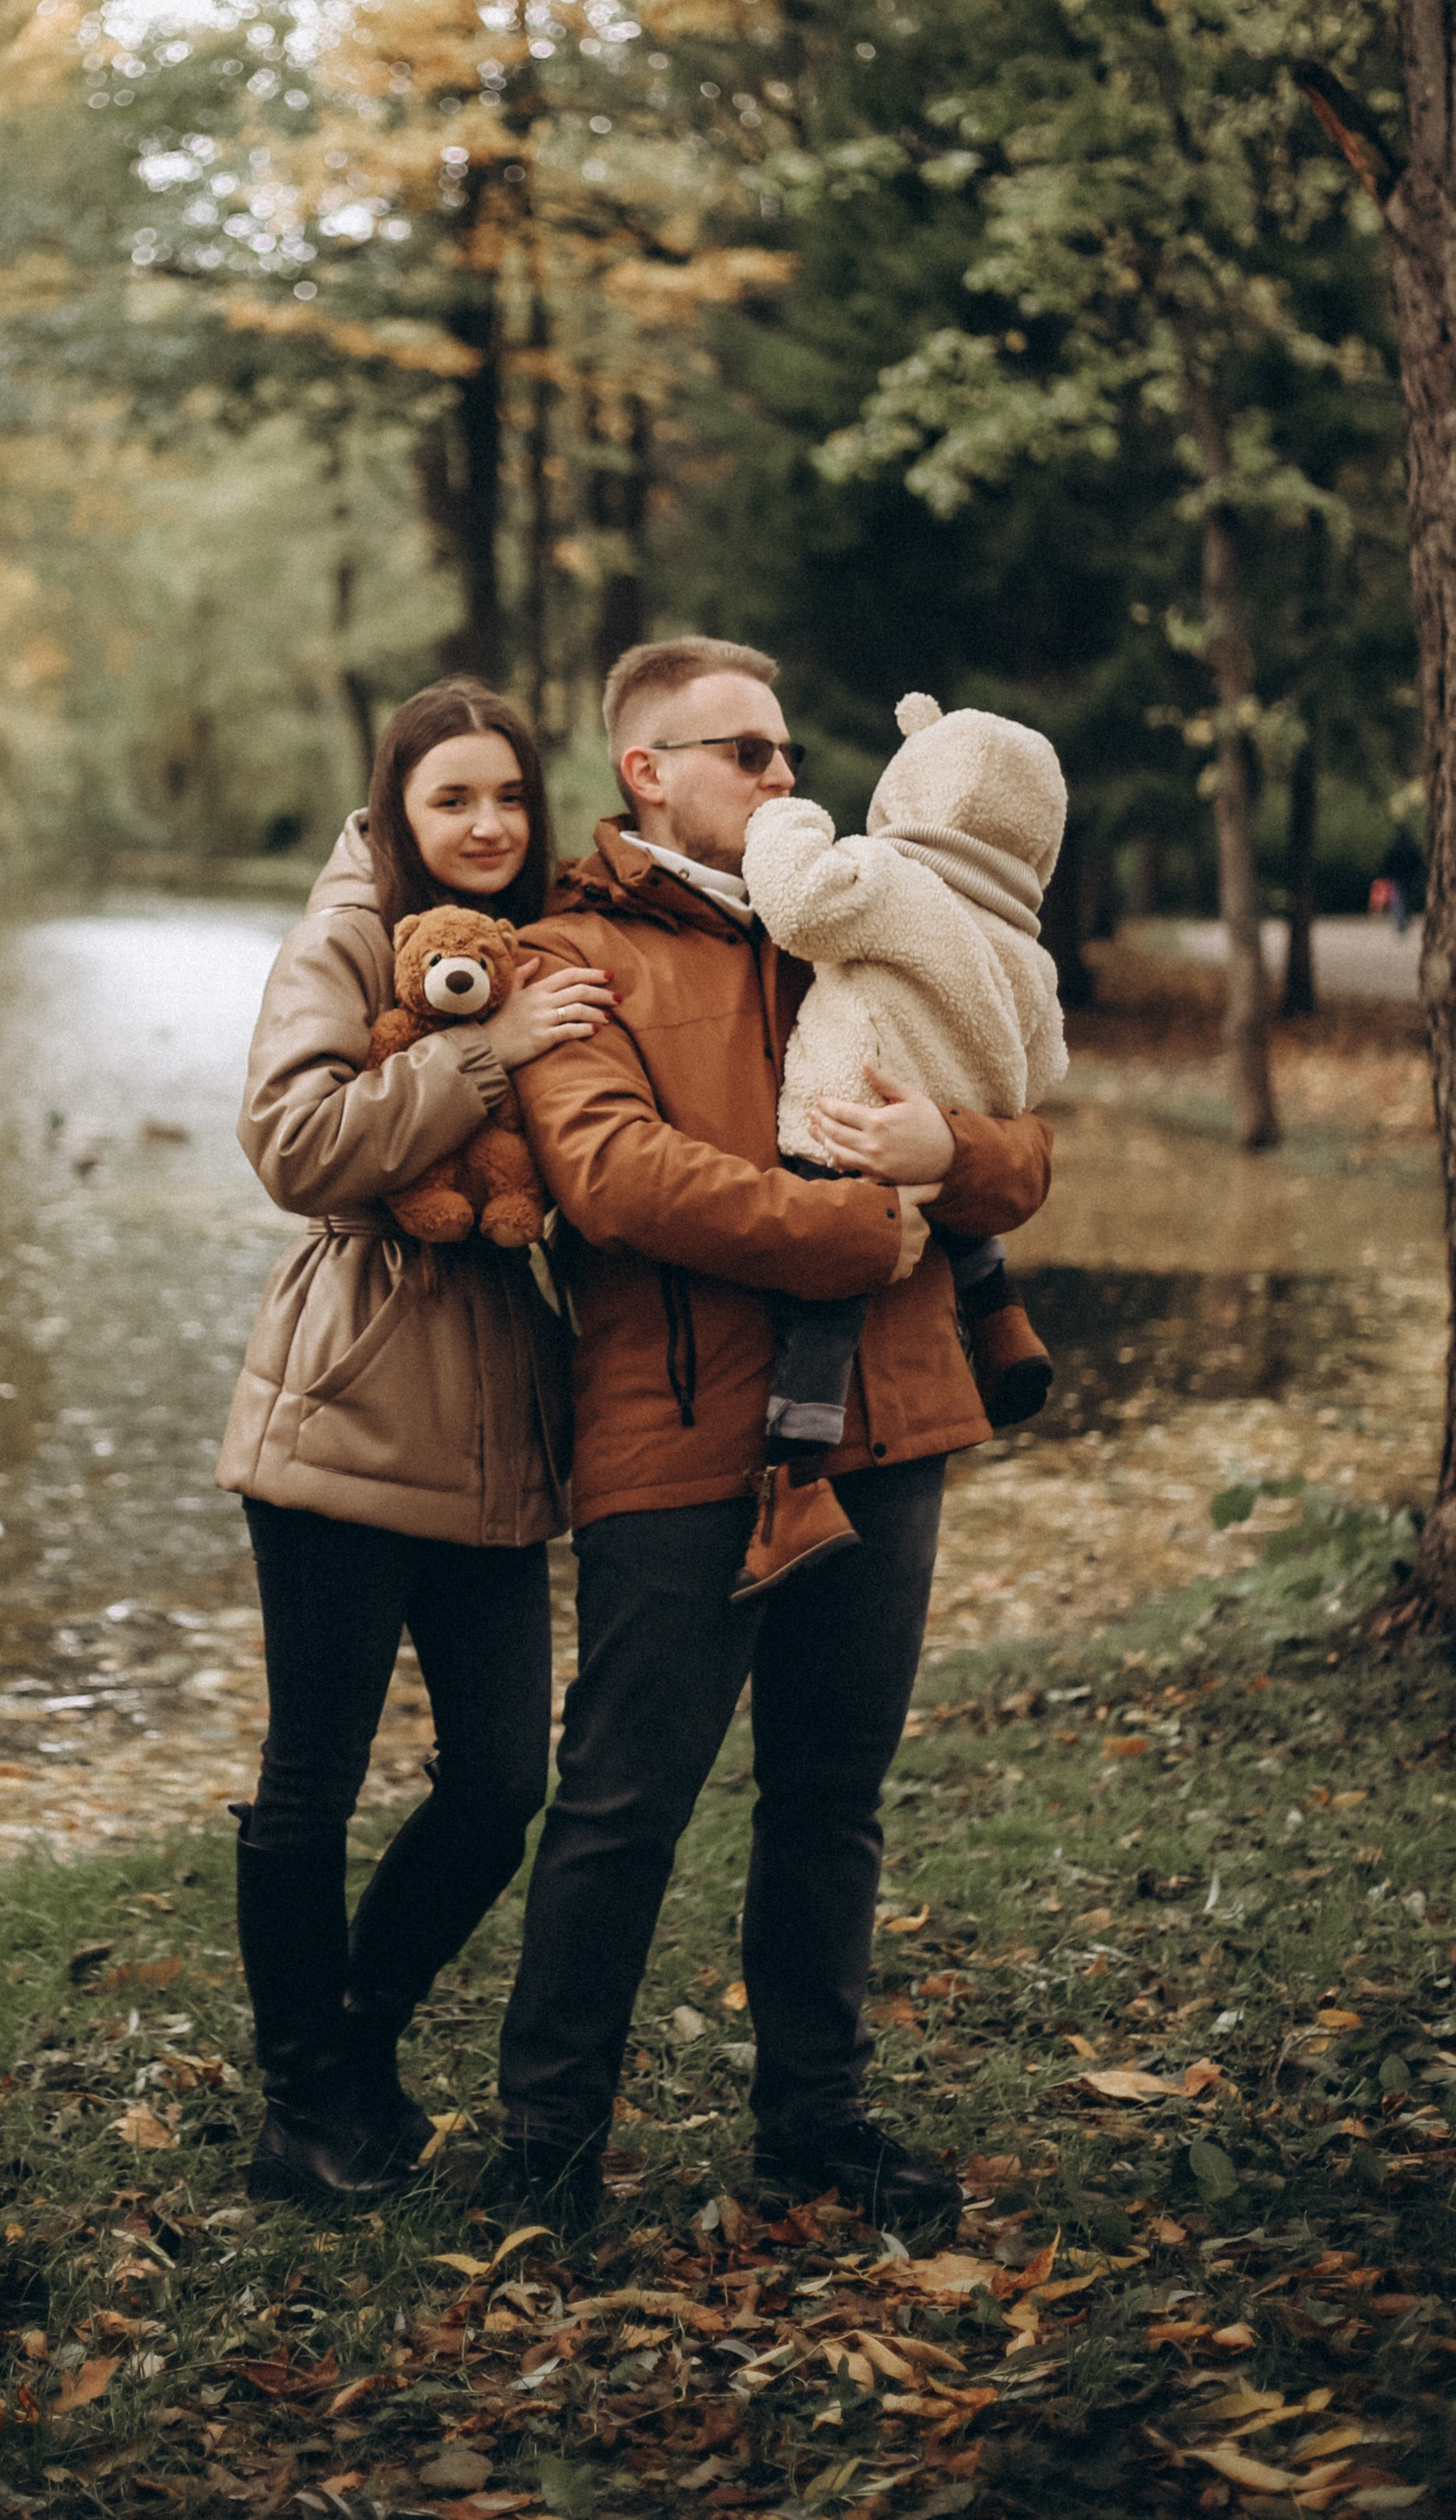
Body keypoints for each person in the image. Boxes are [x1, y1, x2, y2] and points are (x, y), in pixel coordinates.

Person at [492, 635, 1052, 2238]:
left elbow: (1019, 1138)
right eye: (747, 752)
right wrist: (837, 1231)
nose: (787, 776)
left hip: (891, 1423)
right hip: (678, 1436)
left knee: (833, 1796)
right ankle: (545, 2150)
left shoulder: (866, 912)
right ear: (646, 773)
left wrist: (950, 1145)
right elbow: (609, 1173)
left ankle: (814, 2124)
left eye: (793, 750)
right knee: (622, 1802)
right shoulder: (567, 953)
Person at [217, 676, 614, 2206]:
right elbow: (297, 1146)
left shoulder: (545, 939)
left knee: (505, 1776)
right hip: (353, 1389)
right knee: (309, 1775)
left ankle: (360, 2037)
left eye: (508, 796)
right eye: (453, 798)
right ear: (397, 814)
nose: (488, 825)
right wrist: (489, 1052)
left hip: (495, 1412)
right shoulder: (343, 937)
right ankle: (305, 2109)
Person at [735, 689, 1067, 1600]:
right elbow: (1044, 1073)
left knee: (826, 1311)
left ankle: (794, 1488)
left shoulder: (891, 883)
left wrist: (785, 820)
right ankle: (1001, 1329)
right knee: (952, 1230)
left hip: (844, 1124)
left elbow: (798, 908)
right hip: (945, 1129)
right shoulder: (1025, 949)